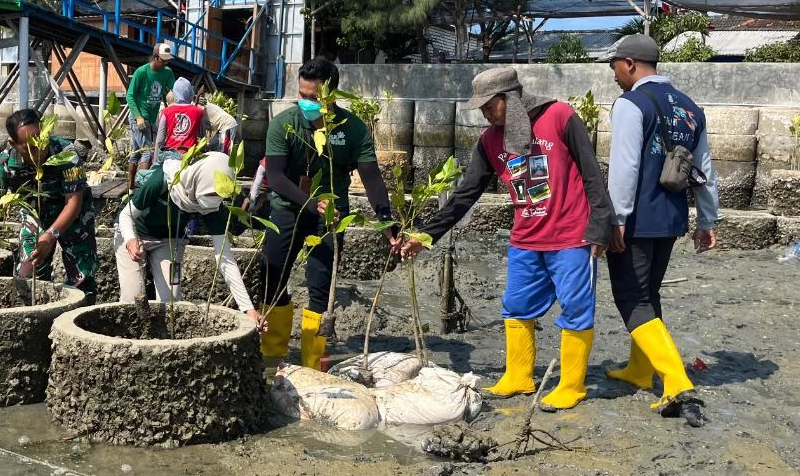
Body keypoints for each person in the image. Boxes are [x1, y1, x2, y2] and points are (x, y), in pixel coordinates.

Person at [402, 67, 613, 411]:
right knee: (516, 306)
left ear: (510, 98)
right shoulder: (489, 141)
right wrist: (427, 235)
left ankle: (572, 385)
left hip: (571, 235)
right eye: (482, 108)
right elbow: (465, 194)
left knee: (576, 309)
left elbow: (592, 173)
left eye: (490, 105)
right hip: (525, 239)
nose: (485, 113)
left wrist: (601, 225)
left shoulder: (559, 116)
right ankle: (519, 376)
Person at [602, 33, 716, 426]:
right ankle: (639, 370)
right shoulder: (690, 108)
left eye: (614, 64)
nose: (613, 72)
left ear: (630, 64)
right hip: (670, 217)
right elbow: (704, 171)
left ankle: (676, 380)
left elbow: (625, 167)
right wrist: (707, 220)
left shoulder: (631, 103)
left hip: (635, 219)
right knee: (648, 294)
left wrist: (615, 218)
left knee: (631, 299)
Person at [260, 57, 394, 371]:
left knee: (320, 282)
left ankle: (312, 362)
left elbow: (373, 180)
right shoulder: (285, 124)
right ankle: (272, 356)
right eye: (302, 95)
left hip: (331, 214)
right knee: (272, 275)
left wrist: (388, 221)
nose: (306, 102)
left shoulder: (352, 129)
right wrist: (308, 202)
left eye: (313, 97)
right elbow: (276, 177)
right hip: (288, 208)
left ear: (331, 95)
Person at [115, 151, 264, 329]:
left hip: (170, 241)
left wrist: (248, 308)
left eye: (217, 196)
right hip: (134, 232)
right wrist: (131, 240)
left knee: (172, 303)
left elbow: (224, 259)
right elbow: (126, 215)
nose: (209, 201)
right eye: (208, 194)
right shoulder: (167, 179)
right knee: (132, 300)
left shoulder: (213, 207)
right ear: (197, 179)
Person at [0, 108, 98, 295]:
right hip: (34, 215)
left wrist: (51, 235)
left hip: (74, 216)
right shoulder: (3, 163)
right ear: (13, 143)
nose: (39, 151)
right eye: (30, 147)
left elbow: (73, 203)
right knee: (27, 277)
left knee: (82, 280)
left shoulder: (66, 154)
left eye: (40, 141)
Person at [126, 42, 177, 188]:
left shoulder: (167, 73)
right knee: (147, 152)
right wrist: (138, 116)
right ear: (155, 57)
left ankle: (130, 188)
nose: (166, 62)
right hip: (139, 118)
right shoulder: (141, 72)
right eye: (163, 59)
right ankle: (143, 188)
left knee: (136, 152)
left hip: (150, 117)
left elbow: (174, 90)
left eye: (167, 60)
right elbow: (130, 96)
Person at [152, 78, 208, 166]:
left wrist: (155, 162)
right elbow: (202, 137)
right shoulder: (199, 112)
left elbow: (160, 140)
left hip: (169, 157)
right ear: (190, 92)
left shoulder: (166, 112)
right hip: (189, 157)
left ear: (175, 93)